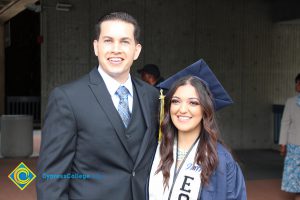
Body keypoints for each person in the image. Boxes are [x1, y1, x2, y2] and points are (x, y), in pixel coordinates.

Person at [36, 12, 159, 199]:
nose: (116, 49)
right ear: (96, 47)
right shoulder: (67, 98)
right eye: (108, 41)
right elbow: (52, 179)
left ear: (137, 50)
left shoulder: (151, 96)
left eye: (125, 41)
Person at [148, 59, 246, 200]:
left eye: (193, 103)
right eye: (176, 101)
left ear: (205, 110)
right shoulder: (154, 151)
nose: (182, 109)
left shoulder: (220, 160)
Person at [279, 73, 300, 200]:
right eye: (296, 83)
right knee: (295, 174)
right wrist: (283, 144)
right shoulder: (291, 102)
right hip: (294, 144)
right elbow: (285, 123)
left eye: (299, 83)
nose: (297, 85)